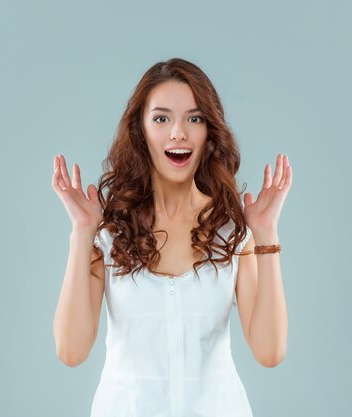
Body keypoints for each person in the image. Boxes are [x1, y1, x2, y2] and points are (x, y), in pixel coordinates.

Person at [52, 58, 291, 417]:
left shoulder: (231, 230)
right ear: (140, 131)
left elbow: (269, 351)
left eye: (194, 118)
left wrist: (265, 234)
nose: (178, 132)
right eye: (161, 118)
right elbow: (71, 351)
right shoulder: (110, 231)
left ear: (209, 131)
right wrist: (83, 233)